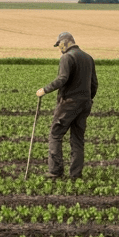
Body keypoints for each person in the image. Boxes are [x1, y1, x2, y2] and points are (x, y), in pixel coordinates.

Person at [35, 32, 97, 178]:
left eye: (59, 45)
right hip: (85, 104)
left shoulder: (67, 57)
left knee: (55, 135)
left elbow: (63, 78)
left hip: (69, 103)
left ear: (66, 42)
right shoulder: (88, 58)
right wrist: (87, 100)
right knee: (77, 139)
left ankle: (55, 171)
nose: (59, 48)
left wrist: (44, 90)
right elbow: (94, 84)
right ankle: (76, 174)